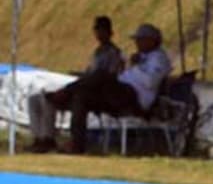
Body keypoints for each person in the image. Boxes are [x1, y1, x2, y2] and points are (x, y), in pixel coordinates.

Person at [29, 23, 172, 154]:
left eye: (140, 39)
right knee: (82, 97)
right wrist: (129, 67)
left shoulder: (159, 59)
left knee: (101, 75)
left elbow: (150, 82)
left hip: (135, 97)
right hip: (119, 93)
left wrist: (135, 68)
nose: (137, 43)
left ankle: (64, 92)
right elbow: (123, 75)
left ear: (152, 40)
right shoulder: (139, 57)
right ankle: (72, 143)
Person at [28, 15, 125, 153]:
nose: (99, 33)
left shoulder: (114, 53)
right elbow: (90, 73)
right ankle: (40, 137)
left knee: (69, 99)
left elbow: (106, 77)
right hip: (85, 85)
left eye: (102, 29)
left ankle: (51, 139)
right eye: (97, 29)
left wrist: (84, 80)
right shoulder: (97, 53)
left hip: (98, 92)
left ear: (109, 32)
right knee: (36, 99)